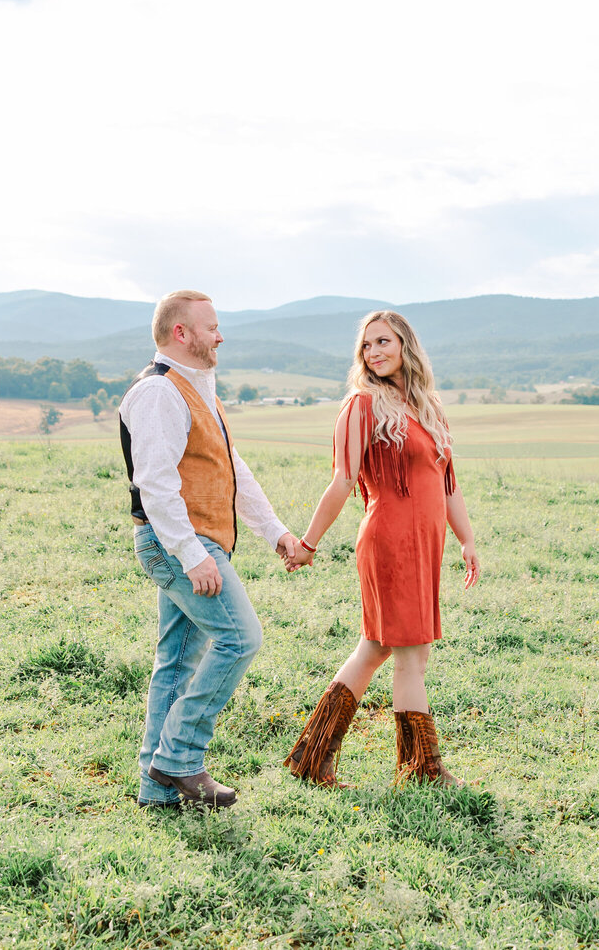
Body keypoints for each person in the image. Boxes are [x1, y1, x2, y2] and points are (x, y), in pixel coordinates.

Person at [281, 310, 480, 788]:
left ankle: (313, 756)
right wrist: (308, 543)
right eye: (367, 346)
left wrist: (467, 539)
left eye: (383, 342)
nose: (374, 352)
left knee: (377, 647)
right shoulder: (361, 406)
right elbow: (342, 481)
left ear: (405, 345)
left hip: (425, 542)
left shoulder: (427, 406)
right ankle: (422, 770)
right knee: (410, 654)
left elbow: (447, 483)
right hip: (390, 539)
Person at [119, 289, 301, 808]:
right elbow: (154, 484)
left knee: (176, 662)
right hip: (179, 543)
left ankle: (156, 789)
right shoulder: (159, 393)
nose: (220, 335)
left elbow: (230, 469)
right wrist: (192, 556)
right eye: (212, 326)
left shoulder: (197, 390)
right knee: (240, 639)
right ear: (182, 333)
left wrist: (275, 532)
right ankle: (179, 759)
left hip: (192, 541)